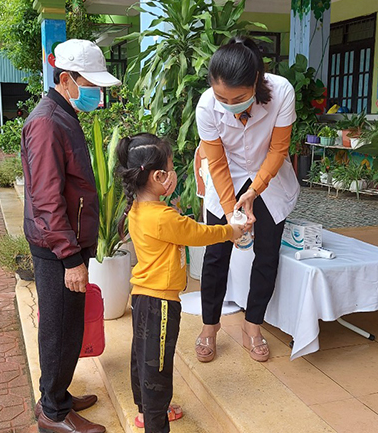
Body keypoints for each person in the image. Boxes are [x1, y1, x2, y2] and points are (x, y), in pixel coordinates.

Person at [22, 39, 121, 433]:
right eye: (90, 83)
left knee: (67, 326)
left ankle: (57, 394)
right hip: (57, 247)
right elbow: (47, 199)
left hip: (64, 243)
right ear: (65, 79)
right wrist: (69, 258)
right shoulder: (47, 122)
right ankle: (53, 413)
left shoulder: (62, 114)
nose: (96, 93)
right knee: (60, 329)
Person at [115, 134, 245, 433]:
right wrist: (232, 231)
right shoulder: (163, 217)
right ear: (160, 176)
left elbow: (173, 228)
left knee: (143, 359)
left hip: (143, 298)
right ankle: (155, 423)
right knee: (157, 367)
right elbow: (200, 233)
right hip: (160, 303)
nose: (174, 173)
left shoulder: (139, 208)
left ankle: (146, 411)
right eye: (172, 168)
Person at [194, 36, 299, 363]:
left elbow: (279, 149)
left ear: (255, 80)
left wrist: (254, 191)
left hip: (269, 176)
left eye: (237, 98)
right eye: (221, 97)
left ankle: (252, 326)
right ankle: (209, 327)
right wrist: (231, 214)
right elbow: (217, 162)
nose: (228, 104)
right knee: (216, 255)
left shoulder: (281, 92)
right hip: (226, 178)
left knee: (266, 255)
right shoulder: (205, 106)